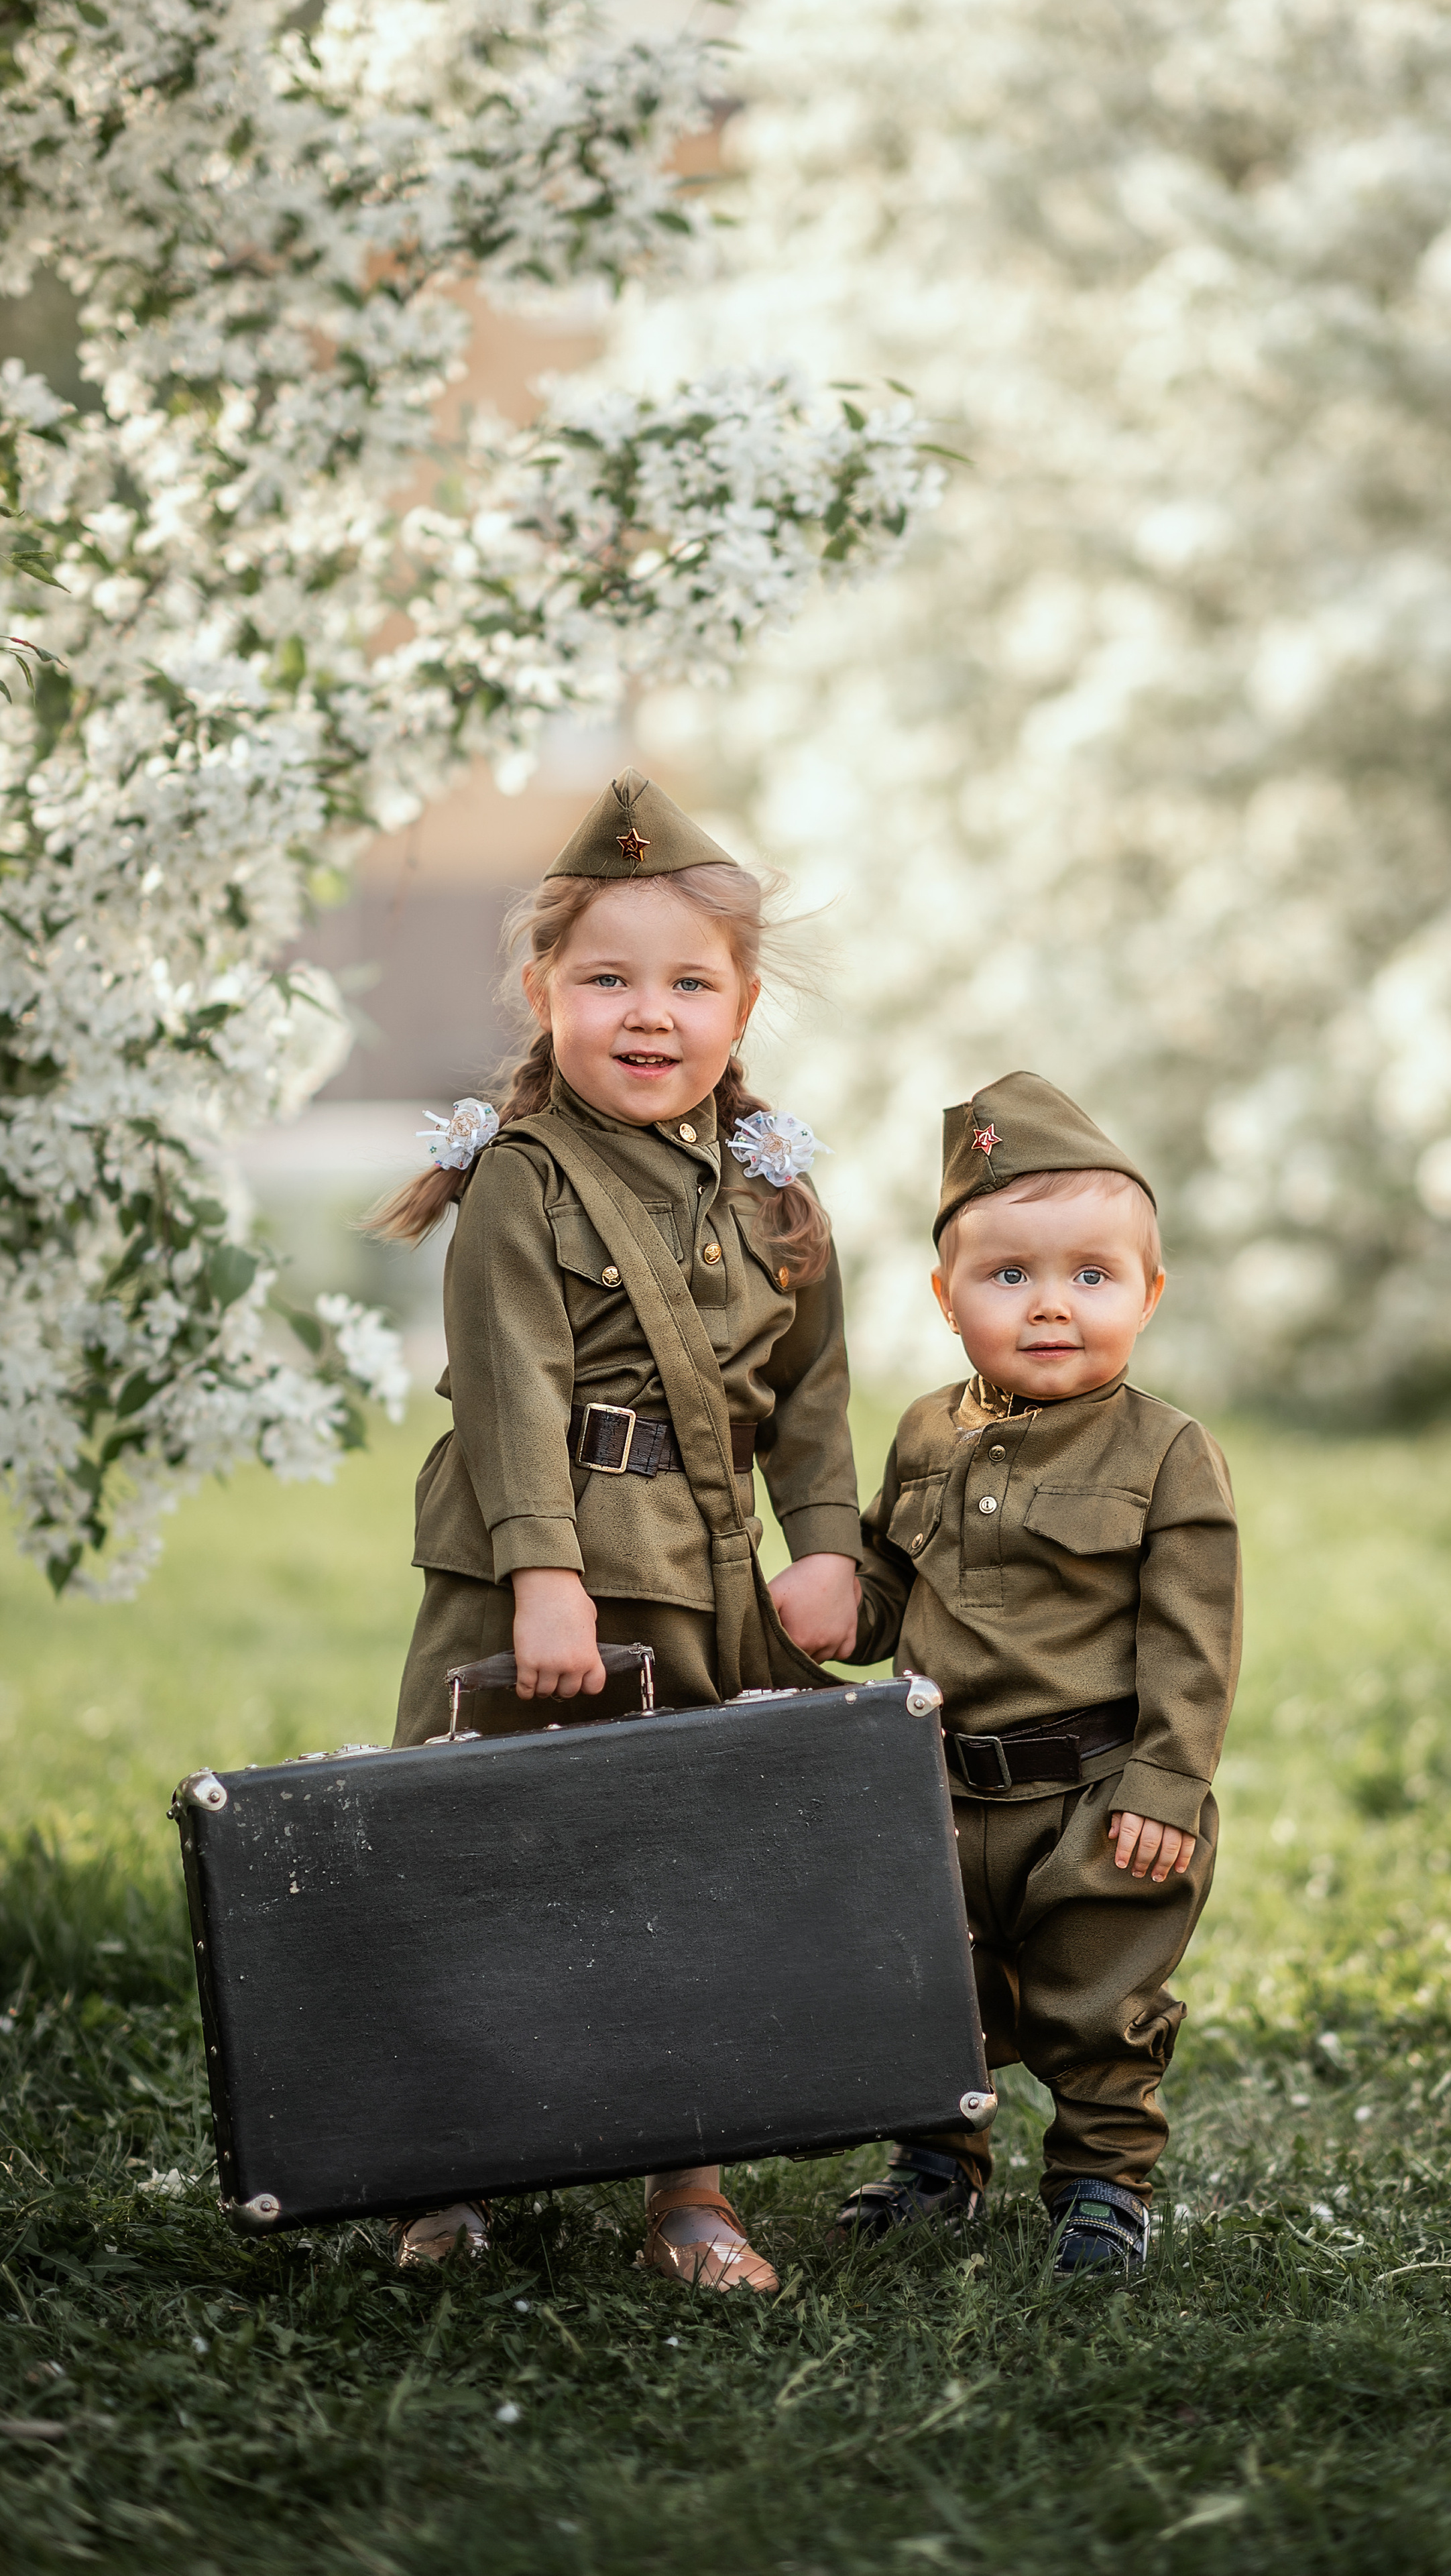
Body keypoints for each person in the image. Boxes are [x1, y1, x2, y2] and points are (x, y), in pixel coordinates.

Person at [368, 768, 863, 2292]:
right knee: (484, 1854)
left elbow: (812, 1389)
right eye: (606, 980)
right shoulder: (521, 1180)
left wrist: (824, 1543)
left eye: (688, 984)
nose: (647, 1015)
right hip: (528, 1579)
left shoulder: (774, 1191)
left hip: (699, 1578)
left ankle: (689, 2190)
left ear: (743, 1004)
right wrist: (545, 1579)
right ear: (543, 992)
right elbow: (510, 1387)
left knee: (688, 1862)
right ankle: (448, 2172)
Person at [837, 1072, 1241, 2274]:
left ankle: (1103, 2181)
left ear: (1149, 1293)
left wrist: (1168, 1782)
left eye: (1094, 1275)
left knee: (1096, 1999)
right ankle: (936, 2159)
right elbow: (885, 1589)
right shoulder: (926, 1431)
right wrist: (825, 1598)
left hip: (1099, 1795)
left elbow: (1195, 1635)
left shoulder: (1166, 1452)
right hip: (936, 1789)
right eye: (1010, 1275)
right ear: (945, 1296)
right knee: (931, 1983)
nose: (1053, 1303)